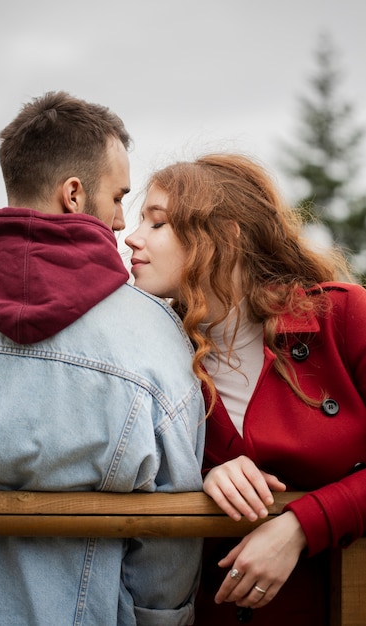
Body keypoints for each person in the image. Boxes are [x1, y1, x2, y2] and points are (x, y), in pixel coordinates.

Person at [0, 91, 206, 626]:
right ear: (73, 194)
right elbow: (169, 541)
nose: (120, 223)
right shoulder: (152, 334)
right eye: (117, 198)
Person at [124, 152, 366, 626]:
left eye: (158, 224)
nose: (132, 238)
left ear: (225, 236)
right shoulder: (150, 355)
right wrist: (201, 479)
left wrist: (300, 524)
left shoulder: (344, 319)